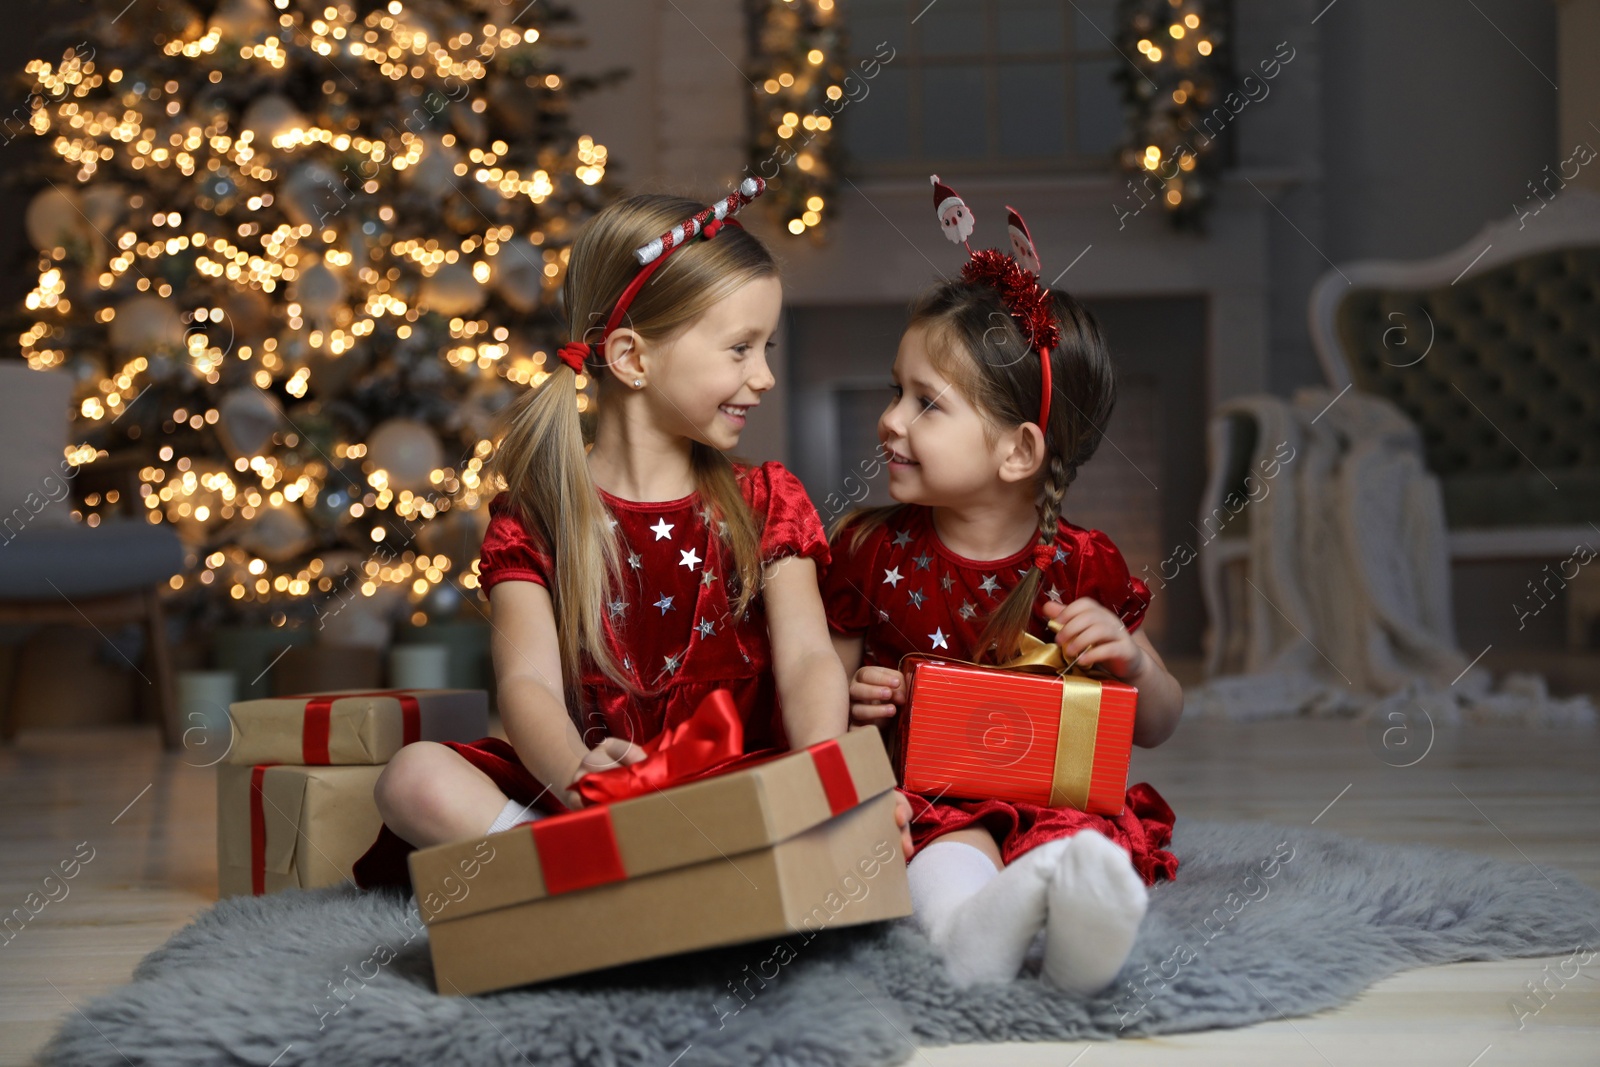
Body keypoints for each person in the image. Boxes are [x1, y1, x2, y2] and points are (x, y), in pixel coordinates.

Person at [353, 180, 906, 890]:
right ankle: (594, 872)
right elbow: (525, 684)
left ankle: (590, 888)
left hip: (732, 782)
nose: (764, 376)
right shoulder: (538, 514)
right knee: (412, 778)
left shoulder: (767, 499)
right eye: (740, 348)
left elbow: (806, 661)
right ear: (633, 358)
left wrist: (826, 775)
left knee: (863, 811)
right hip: (593, 795)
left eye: (765, 347)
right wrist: (575, 772)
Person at [822, 177, 1184, 993]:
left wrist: (1134, 662)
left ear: (1019, 453)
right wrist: (854, 693)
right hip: (930, 803)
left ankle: (1078, 938)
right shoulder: (870, 549)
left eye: (926, 404)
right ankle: (968, 940)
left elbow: (1160, 723)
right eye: (895, 390)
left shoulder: (1081, 563)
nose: (891, 419)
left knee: (1073, 851)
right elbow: (817, 689)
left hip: (1054, 799)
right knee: (946, 862)